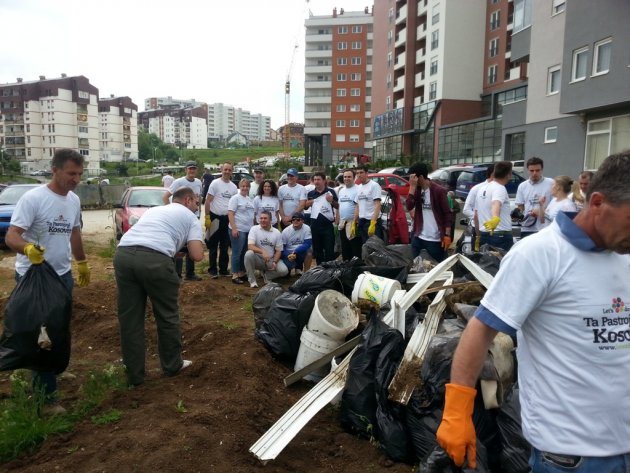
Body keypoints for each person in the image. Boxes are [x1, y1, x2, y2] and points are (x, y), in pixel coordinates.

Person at [436, 151, 630, 472]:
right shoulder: (541, 255)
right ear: (597, 203)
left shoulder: (624, 254)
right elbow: (480, 329)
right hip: (571, 456)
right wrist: (457, 412)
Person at [6, 148, 90, 415]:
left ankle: (51, 371)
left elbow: (74, 232)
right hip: (35, 278)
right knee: (42, 336)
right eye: (70, 173)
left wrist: (82, 262)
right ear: (54, 170)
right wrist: (28, 249)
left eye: (79, 174)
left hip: (62, 276)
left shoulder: (73, 200)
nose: (75, 179)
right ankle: (47, 400)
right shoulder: (34, 199)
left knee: (58, 329)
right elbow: (12, 236)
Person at [114, 187, 203, 387]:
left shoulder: (155, 210)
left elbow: (154, 235)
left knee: (130, 319)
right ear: (188, 200)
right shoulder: (190, 217)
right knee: (167, 315)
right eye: (197, 203)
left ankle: (134, 375)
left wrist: (174, 248)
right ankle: (172, 365)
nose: (198, 207)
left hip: (124, 254)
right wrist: (195, 245)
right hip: (155, 261)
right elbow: (197, 255)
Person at [163, 161, 203, 281]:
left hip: (193, 217)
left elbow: (199, 198)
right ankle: (177, 274)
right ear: (186, 170)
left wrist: (199, 211)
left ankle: (190, 273)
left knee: (192, 243)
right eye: (190, 169)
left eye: (194, 169)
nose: (192, 171)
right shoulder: (179, 182)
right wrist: (172, 211)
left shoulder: (198, 182)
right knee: (179, 245)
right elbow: (165, 197)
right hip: (180, 218)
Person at [405, 162, 452, 262]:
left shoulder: (438, 191)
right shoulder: (417, 190)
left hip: (435, 240)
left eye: (413, 177)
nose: (411, 180)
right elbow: (409, 206)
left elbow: (447, 214)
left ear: (420, 177)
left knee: (434, 269)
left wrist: (447, 235)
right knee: (416, 267)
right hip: (418, 237)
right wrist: (412, 188)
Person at [205, 162, 237, 278]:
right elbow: (208, 201)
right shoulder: (215, 183)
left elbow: (234, 205)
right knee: (213, 245)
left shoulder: (233, 187)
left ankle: (223, 269)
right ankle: (212, 270)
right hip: (215, 217)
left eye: (229, 170)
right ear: (221, 170)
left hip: (227, 219)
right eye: (225, 169)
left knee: (224, 245)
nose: (227, 172)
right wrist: (207, 217)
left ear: (232, 172)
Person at [474, 160, 514, 252]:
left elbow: (476, 215)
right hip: (501, 235)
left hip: (483, 234)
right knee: (500, 264)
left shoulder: (481, 189)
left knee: (485, 265)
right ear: (509, 174)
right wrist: (495, 218)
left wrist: (478, 236)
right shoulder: (500, 188)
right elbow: (496, 203)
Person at [244, 210, 288, 288]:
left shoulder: (277, 232)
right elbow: (250, 246)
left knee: (284, 271)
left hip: (270, 260)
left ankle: (267, 276)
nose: (262, 220)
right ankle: (252, 281)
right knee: (248, 254)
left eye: (265, 218)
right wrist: (262, 251)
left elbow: (278, 250)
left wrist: (274, 262)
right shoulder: (254, 229)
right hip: (257, 259)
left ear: (270, 220)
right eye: (261, 218)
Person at [515, 156, 554, 238]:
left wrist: (540, 212)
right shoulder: (523, 186)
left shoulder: (551, 183)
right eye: (531, 171)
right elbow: (520, 207)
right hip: (527, 228)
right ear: (527, 170)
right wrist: (517, 215)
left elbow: (555, 205)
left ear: (542, 169)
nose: (534, 173)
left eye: (537, 170)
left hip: (545, 228)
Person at [305, 172, 338, 264]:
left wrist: (331, 201)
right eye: (314, 180)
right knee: (317, 250)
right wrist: (307, 204)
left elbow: (337, 206)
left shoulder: (331, 192)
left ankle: (330, 270)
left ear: (324, 181)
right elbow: (305, 207)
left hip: (327, 226)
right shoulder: (311, 193)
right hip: (315, 225)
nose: (316, 182)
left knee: (329, 249)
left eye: (318, 179)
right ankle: (320, 269)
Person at [227, 179, 255, 284]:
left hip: (248, 230)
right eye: (243, 186)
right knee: (236, 252)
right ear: (239, 187)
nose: (245, 188)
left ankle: (242, 272)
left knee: (244, 252)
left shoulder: (249, 199)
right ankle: (234, 274)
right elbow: (230, 213)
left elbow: (252, 215)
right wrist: (234, 228)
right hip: (238, 229)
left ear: (249, 188)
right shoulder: (235, 198)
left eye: (247, 186)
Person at [352, 165, 383, 243]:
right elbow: (357, 206)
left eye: (361, 172)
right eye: (357, 173)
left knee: (375, 247)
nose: (359, 175)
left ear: (367, 173)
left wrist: (373, 223)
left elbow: (377, 205)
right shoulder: (359, 187)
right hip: (362, 221)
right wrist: (354, 222)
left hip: (372, 222)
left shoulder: (374, 186)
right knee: (365, 246)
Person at [336, 169, 362, 260]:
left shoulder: (358, 189)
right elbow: (340, 206)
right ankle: (346, 268)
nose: (347, 179)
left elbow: (358, 206)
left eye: (349, 177)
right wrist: (337, 219)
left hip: (353, 223)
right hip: (343, 223)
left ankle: (356, 269)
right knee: (345, 248)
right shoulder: (342, 190)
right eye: (345, 177)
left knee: (355, 248)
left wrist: (355, 222)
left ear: (354, 178)